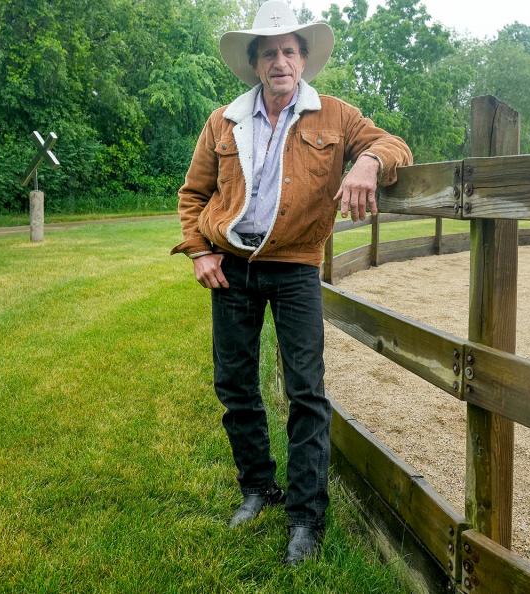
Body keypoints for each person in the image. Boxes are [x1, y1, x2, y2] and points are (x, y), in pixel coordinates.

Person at [171, 1, 412, 565]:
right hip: (229, 265)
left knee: (306, 391)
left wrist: (368, 163)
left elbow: (393, 144)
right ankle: (257, 488)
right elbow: (192, 195)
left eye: (289, 51)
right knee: (234, 385)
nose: (280, 61)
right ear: (255, 63)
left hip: (296, 266)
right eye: (269, 53)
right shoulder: (223, 120)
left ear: (303, 60)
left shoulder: (337, 116)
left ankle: (307, 516)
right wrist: (199, 251)